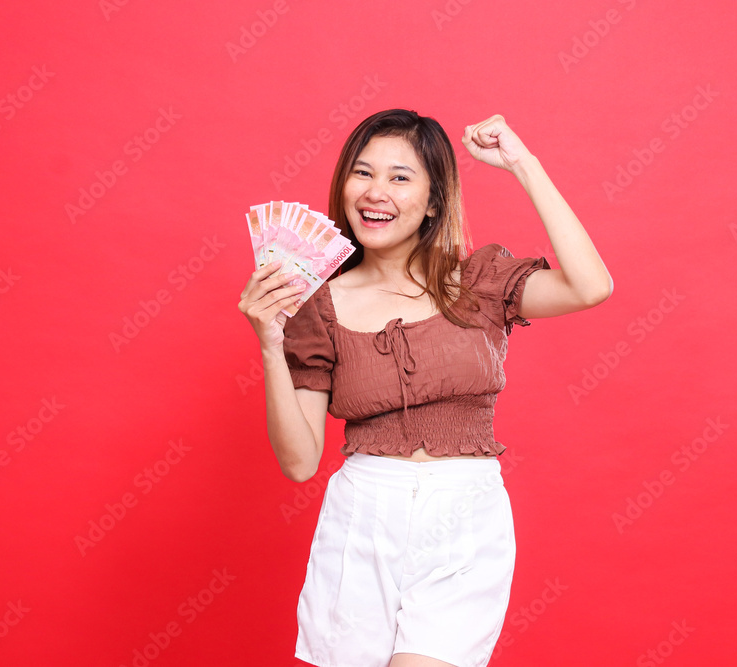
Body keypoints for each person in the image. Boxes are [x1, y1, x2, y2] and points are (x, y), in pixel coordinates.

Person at [238, 109, 612, 667]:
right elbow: (299, 462)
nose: (376, 192)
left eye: (400, 177)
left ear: (436, 201)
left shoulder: (480, 283)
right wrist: (270, 342)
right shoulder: (319, 305)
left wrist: (521, 163)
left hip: (464, 518)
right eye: (362, 173)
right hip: (361, 521)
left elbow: (590, 286)